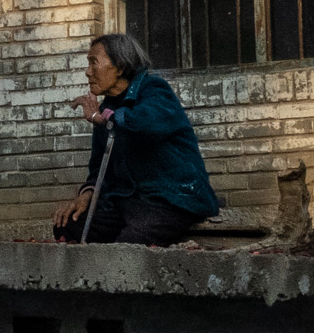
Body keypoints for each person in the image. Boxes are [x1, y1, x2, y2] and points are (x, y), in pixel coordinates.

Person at [53, 32, 218, 245]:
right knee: (68, 225)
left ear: (120, 67)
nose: (88, 72)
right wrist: (86, 196)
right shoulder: (107, 108)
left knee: (129, 246)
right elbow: (98, 168)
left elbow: (143, 124)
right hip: (128, 202)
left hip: (171, 199)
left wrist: (104, 119)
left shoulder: (155, 90)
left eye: (94, 63)